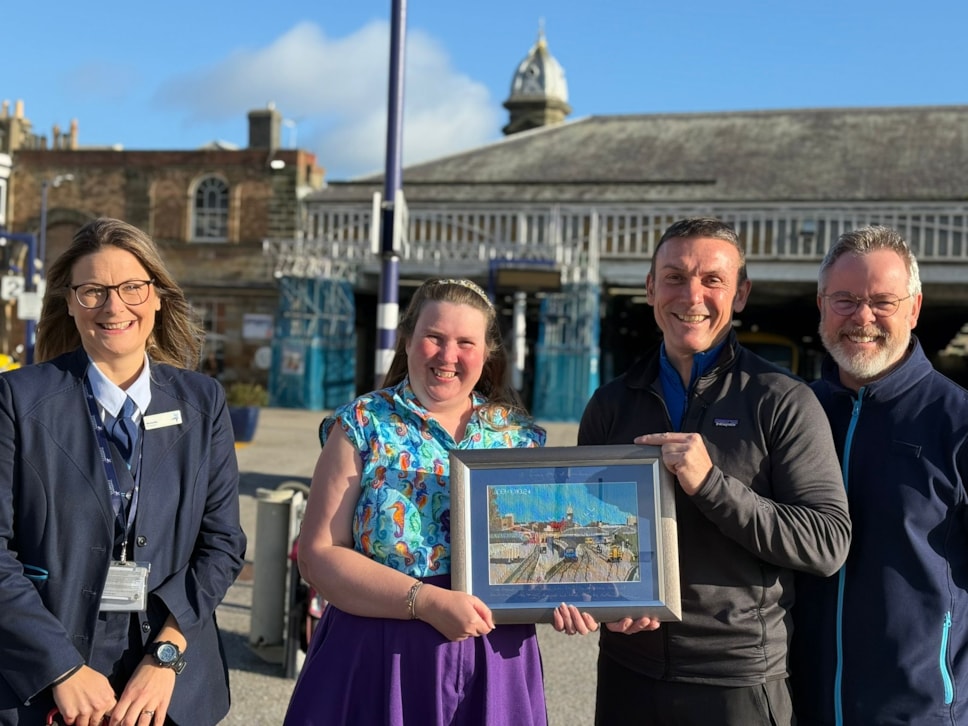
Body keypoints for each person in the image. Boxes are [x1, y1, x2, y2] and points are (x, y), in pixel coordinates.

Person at [563, 217, 852, 725]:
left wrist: (711, 484)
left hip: (736, 679)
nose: (691, 295)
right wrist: (596, 597)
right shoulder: (610, 404)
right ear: (651, 288)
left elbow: (826, 542)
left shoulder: (781, 400)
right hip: (628, 671)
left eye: (712, 280)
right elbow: (586, 533)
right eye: (674, 277)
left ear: (740, 294)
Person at [0, 218, 247, 725]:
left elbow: (222, 544)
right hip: (49, 681)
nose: (115, 307)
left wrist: (166, 655)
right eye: (93, 291)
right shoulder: (18, 400)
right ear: (69, 302)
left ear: (157, 295)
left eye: (132, 287)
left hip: (168, 682)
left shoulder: (203, 403)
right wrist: (62, 670)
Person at [284, 278, 550, 726]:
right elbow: (318, 555)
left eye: (465, 342)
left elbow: (542, 556)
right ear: (407, 340)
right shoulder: (361, 423)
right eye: (434, 338)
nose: (448, 356)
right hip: (378, 648)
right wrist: (424, 601)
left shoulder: (518, 439)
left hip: (492, 654)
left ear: (486, 354)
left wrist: (584, 601)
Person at [790, 225, 968, 724]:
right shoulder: (793, 413)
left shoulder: (957, 422)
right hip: (802, 706)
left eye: (882, 302)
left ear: (913, 309)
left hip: (920, 710)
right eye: (844, 299)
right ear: (821, 304)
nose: (862, 318)